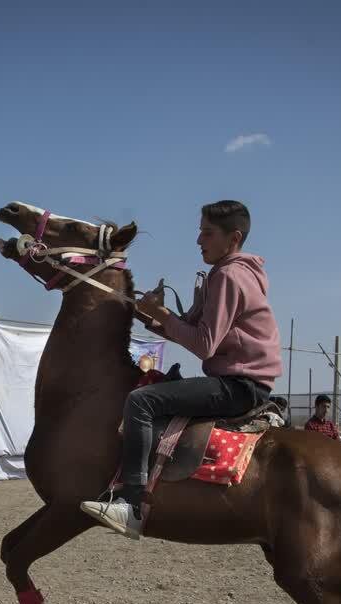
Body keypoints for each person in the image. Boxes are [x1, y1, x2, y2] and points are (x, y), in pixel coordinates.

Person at [81, 200, 281, 537]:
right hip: (241, 381)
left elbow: (204, 344)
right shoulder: (229, 273)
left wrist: (161, 315)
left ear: (233, 238)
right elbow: (188, 327)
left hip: (238, 386)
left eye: (207, 233)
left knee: (140, 401)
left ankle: (132, 506)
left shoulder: (229, 276)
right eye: (199, 232)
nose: (198, 240)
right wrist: (150, 314)